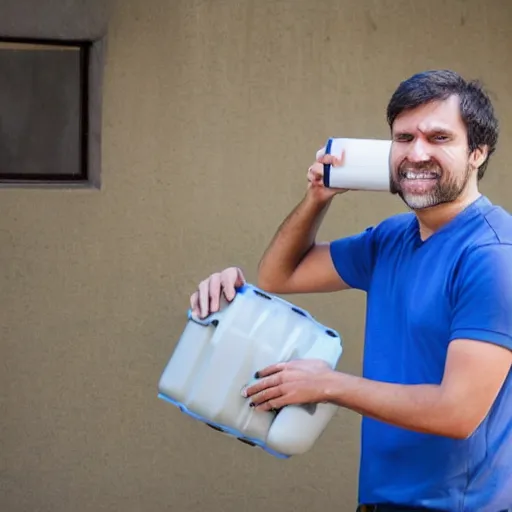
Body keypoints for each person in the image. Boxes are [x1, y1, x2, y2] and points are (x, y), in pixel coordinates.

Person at [189, 70, 512, 512]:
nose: (417, 153)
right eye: (404, 138)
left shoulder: (493, 255)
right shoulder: (392, 238)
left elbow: (456, 412)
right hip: (381, 501)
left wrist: (328, 385)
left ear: (477, 152)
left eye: (439, 138)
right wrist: (318, 197)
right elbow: (279, 276)